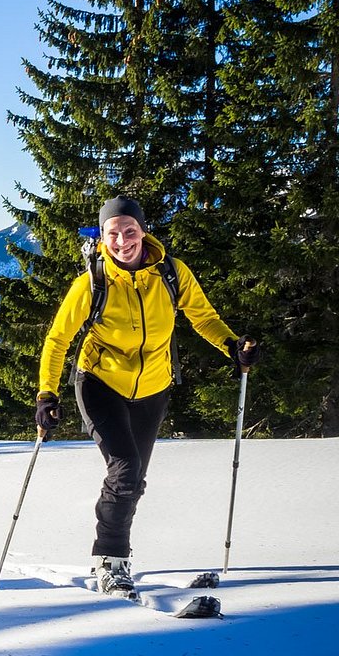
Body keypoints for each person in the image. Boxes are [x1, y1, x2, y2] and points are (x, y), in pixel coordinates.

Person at [35, 196, 260, 596]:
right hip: (99, 382)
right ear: (102, 237)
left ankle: (118, 553)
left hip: (154, 386)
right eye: (113, 233)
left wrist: (231, 344)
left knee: (133, 477)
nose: (123, 241)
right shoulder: (92, 282)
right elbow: (57, 340)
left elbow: (203, 316)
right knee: (124, 469)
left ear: (143, 230)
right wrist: (46, 394)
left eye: (130, 231)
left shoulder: (171, 273)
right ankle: (109, 560)